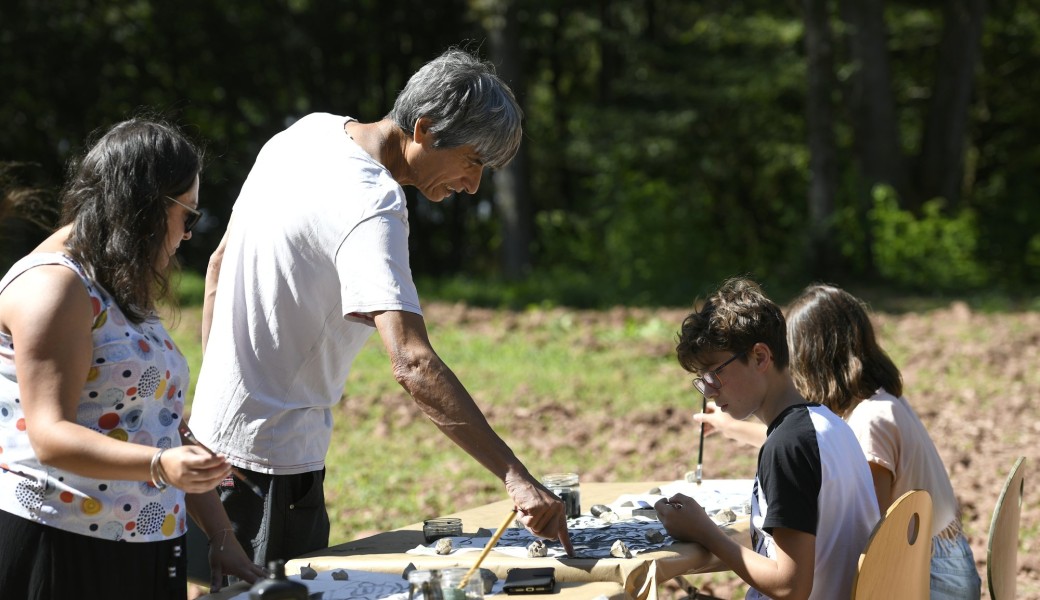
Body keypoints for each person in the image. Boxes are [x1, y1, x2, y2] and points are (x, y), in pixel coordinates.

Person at [190, 47, 573, 568]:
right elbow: (412, 362)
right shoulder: (374, 203)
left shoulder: (305, 133)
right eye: (472, 160)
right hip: (272, 463)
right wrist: (516, 477)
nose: (472, 184)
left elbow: (217, 266)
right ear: (424, 129)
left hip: (208, 448)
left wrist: (211, 409)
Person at [0, 118, 264, 599]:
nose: (187, 236)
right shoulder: (54, 286)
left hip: (142, 542)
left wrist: (223, 537)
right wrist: (161, 465)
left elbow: (157, 422)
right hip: (64, 546)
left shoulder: (110, 281)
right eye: (189, 216)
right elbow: (50, 436)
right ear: (146, 207)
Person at [694, 283, 982, 599]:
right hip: (933, 563)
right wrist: (730, 426)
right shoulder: (848, 418)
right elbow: (807, 452)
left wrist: (705, 532)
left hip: (930, 578)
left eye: (794, 350)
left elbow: (866, 540)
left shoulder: (868, 421)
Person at [653, 277, 879, 600]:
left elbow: (790, 586)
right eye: (702, 382)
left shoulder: (788, 447)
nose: (710, 391)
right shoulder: (831, 424)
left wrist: (706, 532)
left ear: (760, 357)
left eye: (715, 374)